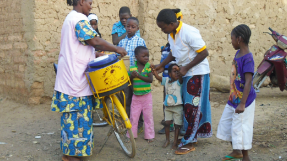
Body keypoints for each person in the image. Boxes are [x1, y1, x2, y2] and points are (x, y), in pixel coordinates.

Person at [50, 0, 127, 161]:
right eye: (89, 2)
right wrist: (116, 48)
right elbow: (94, 41)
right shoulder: (78, 19)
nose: (91, 6)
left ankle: (71, 153)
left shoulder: (72, 18)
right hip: (73, 81)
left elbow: (82, 47)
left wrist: (95, 55)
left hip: (74, 78)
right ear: (81, 1)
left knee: (77, 120)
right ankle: (71, 156)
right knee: (76, 120)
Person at [153, 8, 212, 155]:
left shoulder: (188, 32)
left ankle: (190, 141)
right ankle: (190, 137)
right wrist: (161, 66)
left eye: (163, 27)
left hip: (197, 73)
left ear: (172, 23)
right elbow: (174, 52)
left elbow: (204, 52)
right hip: (186, 73)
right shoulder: (172, 34)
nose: (162, 30)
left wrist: (186, 68)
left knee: (192, 107)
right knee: (187, 106)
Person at [217, 24, 256, 161]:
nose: (231, 41)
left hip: (244, 100)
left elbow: (248, 82)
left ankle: (246, 157)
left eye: (232, 38)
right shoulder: (238, 53)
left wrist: (243, 103)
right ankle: (236, 151)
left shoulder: (248, 59)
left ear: (239, 39)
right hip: (234, 98)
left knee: (241, 128)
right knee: (227, 124)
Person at [118, 17, 146, 134]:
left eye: (133, 27)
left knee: (137, 99)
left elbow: (144, 59)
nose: (129, 28)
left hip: (135, 76)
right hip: (124, 76)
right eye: (128, 26)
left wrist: (139, 73)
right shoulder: (121, 42)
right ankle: (127, 122)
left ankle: (139, 123)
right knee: (126, 99)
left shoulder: (140, 41)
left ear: (137, 28)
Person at [127, 46, 154, 143]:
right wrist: (131, 76)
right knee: (134, 117)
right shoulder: (132, 68)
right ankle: (131, 135)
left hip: (147, 97)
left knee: (148, 117)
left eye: (147, 56)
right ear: (136, 57)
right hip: (136, 97)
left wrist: (138, 75)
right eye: (144, 56)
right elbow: (128, 82)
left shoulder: (148, 67)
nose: (146, 58)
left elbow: (150, 80)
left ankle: (149, 136)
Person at [152, 64, 183, 149]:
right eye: (174, 71)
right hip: (168, 107)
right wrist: (154, 71)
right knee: (167, 123)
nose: (177, 73)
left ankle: (175, 141)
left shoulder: (179, 82)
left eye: (178, 71)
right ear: (169, 73)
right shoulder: (166, 80)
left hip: (178, 107)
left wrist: (179, 70)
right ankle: (167, 140)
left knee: (177, 125)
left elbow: (180, 76)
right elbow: (158, 77)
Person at [157, 42, 176, 134]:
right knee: (166, 103)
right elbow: (162, 67)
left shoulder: (178, 47)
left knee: (177, 103)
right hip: (166, 82)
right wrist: (155, 70)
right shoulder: (165, 49)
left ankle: (176, 124)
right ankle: (169, 124)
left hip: (176, 82)